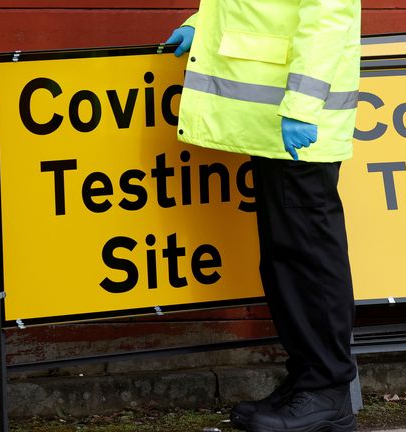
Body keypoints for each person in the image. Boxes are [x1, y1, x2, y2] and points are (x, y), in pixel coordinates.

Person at [165, 1, 361, 432]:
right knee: (286, 257)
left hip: (299, 123)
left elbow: (327, 20)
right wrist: (203, 26)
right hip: (274, 123)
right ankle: (306, 381)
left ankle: (327, 392)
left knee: (309, 256)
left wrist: (302, 107)